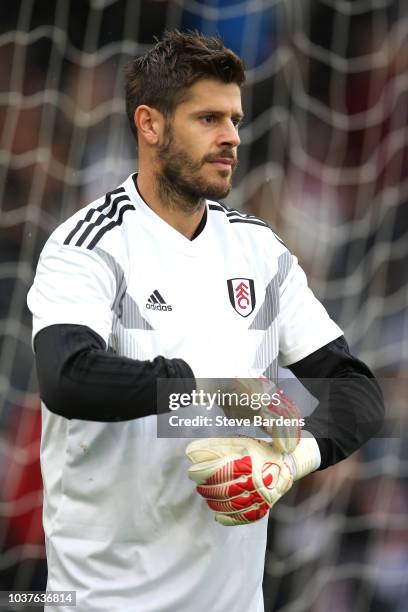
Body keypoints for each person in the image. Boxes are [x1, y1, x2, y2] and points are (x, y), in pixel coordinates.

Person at [27, 30, 384, 612]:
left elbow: (356, 391)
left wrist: (290, 462)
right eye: (209, 119)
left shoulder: (260, 253)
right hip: (102, 601)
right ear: (150, 124)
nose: (232, 139)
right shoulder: (87, 246)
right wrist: (215, 395)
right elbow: (68, 378)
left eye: (236, 120)